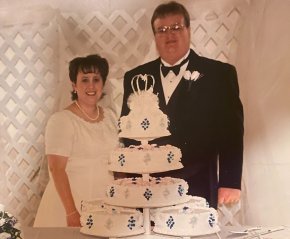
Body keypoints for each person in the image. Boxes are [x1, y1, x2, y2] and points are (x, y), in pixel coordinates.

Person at [120, 1, 244, 208]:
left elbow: (231, 131)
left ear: (188, 30)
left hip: (199, 184)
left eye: (176, 28)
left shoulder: (219, 74)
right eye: (162, 30)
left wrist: (230, 181)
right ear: (155, 36)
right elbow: (128, 133)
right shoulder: (135, 77)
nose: (170, 35)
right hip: (147, 187)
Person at [34, 54, 119, 227]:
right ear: (74, 85)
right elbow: (56, 169)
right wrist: (72, 212)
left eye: (96, 79)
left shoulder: (110, 116)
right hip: (70, 207)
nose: (91, 85)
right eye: (85, 80)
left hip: (105, 204)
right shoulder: (61, 120)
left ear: (103, 84)